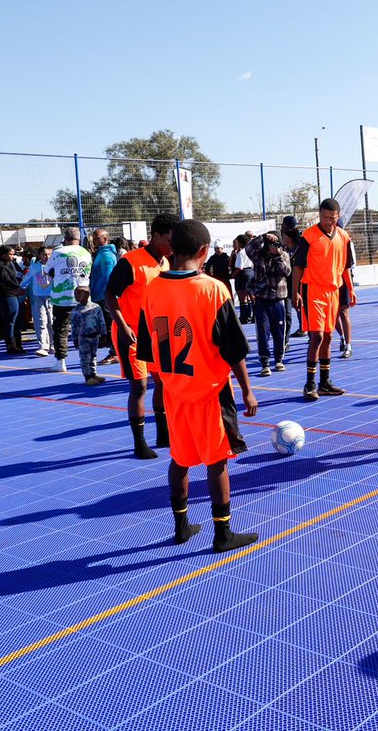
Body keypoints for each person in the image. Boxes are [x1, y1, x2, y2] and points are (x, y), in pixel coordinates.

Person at [135, 218, 259, 553]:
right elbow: (233, 349)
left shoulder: (151, 289)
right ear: (204, 252)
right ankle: (223, 533)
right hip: (210, 391)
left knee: (179, 459)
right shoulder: (212, 289)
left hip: (175, 391)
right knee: (216, 460)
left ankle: (181, 525)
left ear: (172, 249)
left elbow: (148, 350)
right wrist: (247, 388)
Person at [106, 214, 176, 459]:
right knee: (140, 386)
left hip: (160, 332)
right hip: (132, 333)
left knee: (164, 382)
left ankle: (163, 433)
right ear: (155, 236)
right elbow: (109, 294)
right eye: (169, 240)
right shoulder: (130, 262)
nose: (172, 245)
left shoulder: (166, 263)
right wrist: (123, 326)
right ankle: (139, 443)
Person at [291, 198, 354, 402]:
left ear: (338, 217)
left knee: (328, 335)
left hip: (333, 292)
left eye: (333, 218)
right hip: (313, 290)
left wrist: (350, 290)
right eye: (326, 218)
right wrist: (295, 292)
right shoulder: (308, 237)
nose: (329, 222)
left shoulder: (344, 237)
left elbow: (346, 268)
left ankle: (324, 383)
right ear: (319, 215)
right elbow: (298, 267)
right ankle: (309, 384)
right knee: (316, 336)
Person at [46, 227, 93, 374]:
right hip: (83, 296)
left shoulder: (58, 253)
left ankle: (61, 361)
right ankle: (88, 359)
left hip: (62, 297)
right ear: (79, 238)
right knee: (84, 329)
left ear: (65, 239)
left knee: (61, 329)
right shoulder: (86, 253)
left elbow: (47, 270)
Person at [244, 230, 291, 376]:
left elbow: (287, 272)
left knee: (279, 332)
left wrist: (277, 255)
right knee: (263, 332)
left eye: (276, 243)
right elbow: (248, 248)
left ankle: (278, 360)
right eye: (271, 243)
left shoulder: (283, 255)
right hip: (262, 300)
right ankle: (264, 362)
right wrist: (263, 237)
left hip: (278, 299)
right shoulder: (259, 256)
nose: (273, 246)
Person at [0, 245, 26, 355]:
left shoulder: (9, 263)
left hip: (11, 293)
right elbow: (6, 279)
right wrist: (17, 287)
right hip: (5, 294)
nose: (13, 256)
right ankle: (12, 345)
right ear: (3, 255)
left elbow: (14, 276)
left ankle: (17, 344)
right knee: (11, 320)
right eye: (10, 254)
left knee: (14, 320)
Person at [90, 228, 119, 366]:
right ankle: (115, 352)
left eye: (97, 238)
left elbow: (108, 277)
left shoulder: (106, 255)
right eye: (94, 238)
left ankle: (115, 353)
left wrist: (100, 291)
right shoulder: (101, 254)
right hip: (100, 295)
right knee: (109, 325)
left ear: (106, 239)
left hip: (104, 296)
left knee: (110, 325)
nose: (94, 241)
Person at [19, 246, 53, 356]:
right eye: (44, 254)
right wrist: (21, 287)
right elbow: (27, 279)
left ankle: (54, 345)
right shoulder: (35, 267)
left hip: (52, 297)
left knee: (52, 321)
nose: (47, 257)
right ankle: (43, 345)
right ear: (39, 255)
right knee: (41, 321)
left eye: (49, 254)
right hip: (38, 296)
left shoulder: (54, 266)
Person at [71, 285, 107, 386]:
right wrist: (74, 338)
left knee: (93, 356)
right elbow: (73, 326)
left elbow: (101, 321)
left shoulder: (95, 307)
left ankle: (93, 374)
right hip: (83, 337)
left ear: (87, 294)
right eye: (75, 294)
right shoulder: (75, 311)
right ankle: (88, 377)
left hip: (94, 336)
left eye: (79, 293)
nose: (76, 296)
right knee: (85, 357)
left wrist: (103, 334)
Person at [335, 237, 357, 359]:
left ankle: (348, 345)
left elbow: (350, 265)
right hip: (330, 280)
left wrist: (351, 288)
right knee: (333, 315)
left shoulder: (346, 241)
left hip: (343, 279)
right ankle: (342, 337)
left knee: (343, 312)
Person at [230, 235, 254, 324]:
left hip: (243, 274)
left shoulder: (241, 253)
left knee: (243, 297)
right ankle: (253, 316)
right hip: (251, 272)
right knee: (251, 296)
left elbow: (239, 267)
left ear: (240, 242)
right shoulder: (250, 251)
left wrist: (233, 275)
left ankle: (244, 317)